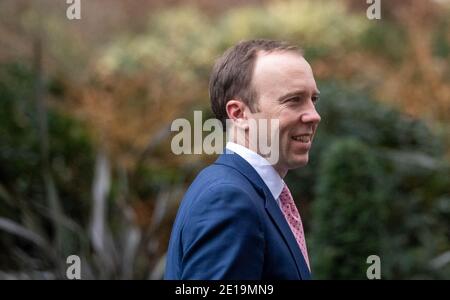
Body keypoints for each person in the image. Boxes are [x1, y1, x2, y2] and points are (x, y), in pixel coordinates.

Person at [165, 39, 321, 280]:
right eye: (294, 100)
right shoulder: (228, 199)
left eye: (313, 99)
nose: (314, 115)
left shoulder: (247, 191)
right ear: (238, 114)